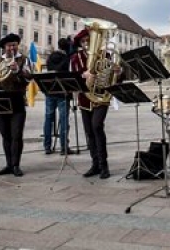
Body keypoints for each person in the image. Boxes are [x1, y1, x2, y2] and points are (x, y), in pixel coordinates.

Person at [70, 28, 120, 179]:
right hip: (85, 99)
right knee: (89, 132)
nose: (86, 44)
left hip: (101, 97)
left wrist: (118, 72)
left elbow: (114, 77)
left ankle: (104, 166)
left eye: (88, 40)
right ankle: (95, 164)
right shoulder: (75, 58)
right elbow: (72, 78)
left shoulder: (105, 55)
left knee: (97, 126)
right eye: (83, 41)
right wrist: (83, 75)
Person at [0, 33, 32, 177]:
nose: (12, 48)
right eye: (9, 45)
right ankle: (8, 164)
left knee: (16, 134)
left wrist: (17, 70)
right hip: (0, 102)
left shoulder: (24, 60)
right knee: (5, 135)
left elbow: (29, 78)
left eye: (14, 44)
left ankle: (16, 165)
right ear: (4, 47)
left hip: (17, 101)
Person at [43, 37, 72, 155]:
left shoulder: (50, 57)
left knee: (48, 119)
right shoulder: (67, 59)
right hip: (63, 92)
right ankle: (64, 147)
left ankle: (47, 146)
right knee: (64, 119)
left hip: (50, 90)